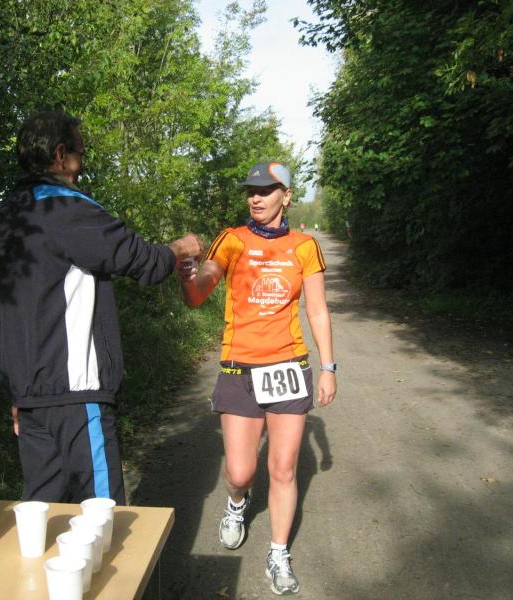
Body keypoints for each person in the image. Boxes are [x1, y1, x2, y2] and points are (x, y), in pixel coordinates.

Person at [0, 110, 203, 505]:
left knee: (45, 519)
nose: (82, 166)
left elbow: (1, 314)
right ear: (60, 156)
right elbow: (145, 262)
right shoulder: (67, 210)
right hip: (77, 399)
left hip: (29, 402)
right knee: (102, 519)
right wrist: (182, 247)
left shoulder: (2, 219)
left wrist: (19, 393)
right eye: (80, 154)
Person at [178, 161, 336, 595]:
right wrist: (187, 276)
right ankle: (237, 502)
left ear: (286, 195)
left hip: (288, 368)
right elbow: (199, 294)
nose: (256, 197)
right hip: (240, 369)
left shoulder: (305, 246)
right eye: (251, 190)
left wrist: (328, 368)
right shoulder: (232, 240)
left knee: (283, 469)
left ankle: (278, 553)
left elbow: (317, 310)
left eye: (266, 190)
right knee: (240, 471)